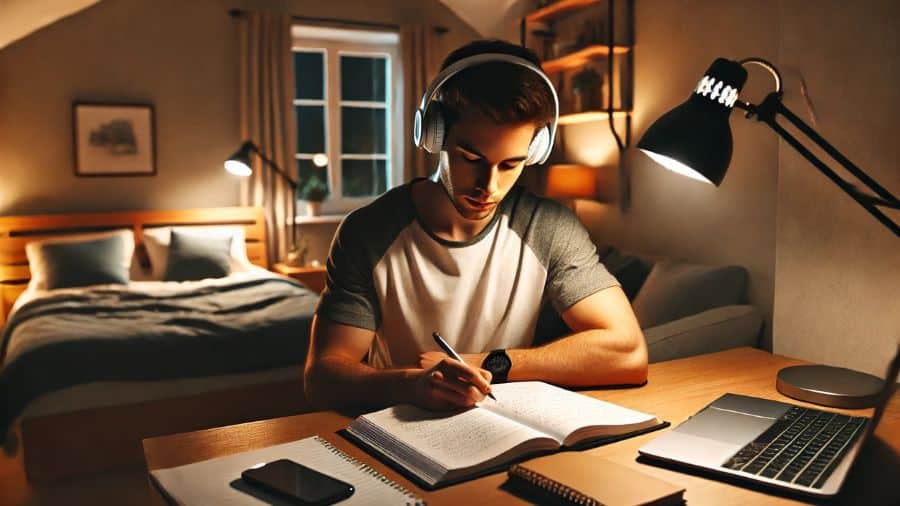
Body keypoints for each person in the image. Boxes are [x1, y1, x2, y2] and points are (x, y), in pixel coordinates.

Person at [304, 39, 647, 412]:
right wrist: (411, 385)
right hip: (398, 428)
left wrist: (487, 363)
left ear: (534, 150)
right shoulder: (367, 232)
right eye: (471, 158)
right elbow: (322, 378)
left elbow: (627, 352)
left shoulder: (549, 227)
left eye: (510, 164)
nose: (489, 186)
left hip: (501, 427)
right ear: (434, 134)